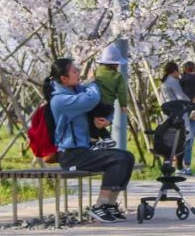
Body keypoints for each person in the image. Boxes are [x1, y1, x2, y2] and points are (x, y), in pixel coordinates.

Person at [45, 58, 135, 223]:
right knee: (118, 159)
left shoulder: (74, 91)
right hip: (71, 155)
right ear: (64, 79)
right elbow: (92, 99)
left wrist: (106, 120)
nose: (78, 73)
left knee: (127, 157)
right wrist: (94, 82)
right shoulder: (60, 100)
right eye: (74, 71)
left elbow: (100, 104)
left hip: (84, 150)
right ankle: (100, 206)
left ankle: (109, 204)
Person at [89, 45, 127, 149]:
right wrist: (123, 105)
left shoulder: (97, 71)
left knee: (94, 123)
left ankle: (95, 142)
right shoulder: (118, 76)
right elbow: (122, 91)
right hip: (108, 106)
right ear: (115, 64)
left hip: (96, 103)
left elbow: (89, 84)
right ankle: (107, 138)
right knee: (101, 122)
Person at [160, 62, 191, 172]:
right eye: (178, 71)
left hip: (169, 113)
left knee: (172, 139)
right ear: (174, 71)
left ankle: (169, 164)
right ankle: (180, 166)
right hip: (178, 112)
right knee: (182, 138)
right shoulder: (173, 82)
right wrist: (190, 102)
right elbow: (181, 96)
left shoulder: (164, 82)